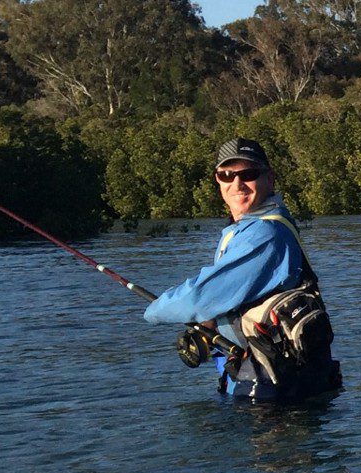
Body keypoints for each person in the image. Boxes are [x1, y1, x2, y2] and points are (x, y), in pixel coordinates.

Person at [142, 137, 341, 402]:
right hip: (270, 384)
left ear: (269, 179)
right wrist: (208, 329)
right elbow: (230, 300)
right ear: (218, 181)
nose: (237, 184)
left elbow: (198, 297)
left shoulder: (264, 234)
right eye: (227, 175)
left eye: (248, 174)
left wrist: (153, 311)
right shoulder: (246, 230)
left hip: (274, 396)